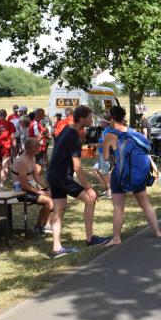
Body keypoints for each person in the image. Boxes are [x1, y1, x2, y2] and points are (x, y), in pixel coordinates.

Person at [46, 105, 110, 257]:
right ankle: (90, 238)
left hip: (53, 175)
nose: (92, 120)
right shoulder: (73, 136)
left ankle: (57, 248)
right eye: (89, 117)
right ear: (81, 119)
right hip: (62, 177)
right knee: (90, 200)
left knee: (59, 209)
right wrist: (88, 187)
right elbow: (77, 166)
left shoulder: (66, 130)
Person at [104, 105, 161, 245]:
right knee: (145, 203)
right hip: (137, 174)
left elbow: (105, 157)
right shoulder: (134, 133)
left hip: (120, 174)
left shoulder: (110, 135)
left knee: (118, 207)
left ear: (112, 118)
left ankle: (116, 238)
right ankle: (157, 231)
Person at [12, 138, 54, 235]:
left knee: (54, 195)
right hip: (21, 192)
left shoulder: (32, 158)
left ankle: (46, 224)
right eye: (37, 145)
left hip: (30, 188)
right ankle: (38, 226)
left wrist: (47, 188)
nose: (40, 147)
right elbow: (23, 185)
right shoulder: (22, 162)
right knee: (49, 201)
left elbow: (36, 177)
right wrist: (41, 192)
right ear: (30, 148)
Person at [92, 115, 114, 198]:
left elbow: (108, 144)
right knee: (95, 169)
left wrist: (97, 144)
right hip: (102, 153)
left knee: (105, 173)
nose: (100, 122)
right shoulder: (105, 130)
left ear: (105, 122)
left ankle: (110, 191)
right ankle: (107, 189)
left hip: (106, 153)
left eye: (101, 120)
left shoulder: (108, 131)